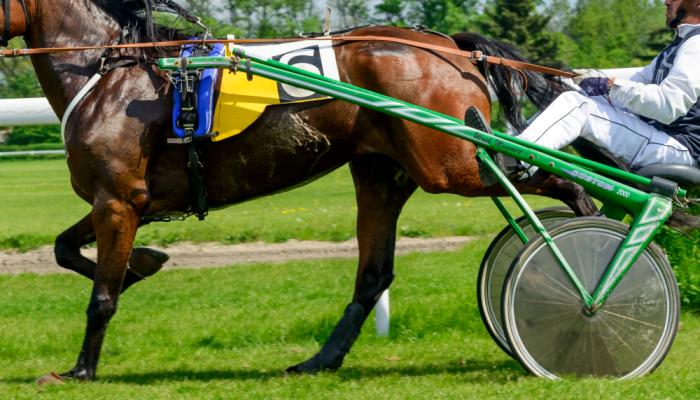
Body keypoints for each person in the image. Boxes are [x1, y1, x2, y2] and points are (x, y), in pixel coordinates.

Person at [511, 0, 700, 178]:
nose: (666, 2)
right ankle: (511, 145)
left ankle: (515, 161)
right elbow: (626, 97)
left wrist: (607, 85)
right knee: (570, 93)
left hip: (679, 148)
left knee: (578, 107)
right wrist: (589, 84)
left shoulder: (696, 44)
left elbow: (667, 106)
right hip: (661, 139)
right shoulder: (677, 46)